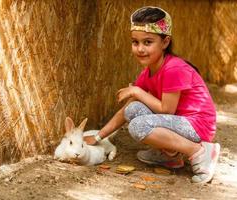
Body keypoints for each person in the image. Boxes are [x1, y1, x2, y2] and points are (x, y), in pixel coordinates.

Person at [84, 6, 220, 184]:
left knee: (139, 126)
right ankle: (170, 156)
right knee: (133, 109)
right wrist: (97, 137)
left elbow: (167, 110)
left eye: (147, 42)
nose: (140, 49)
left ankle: (200, 152)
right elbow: (126, 111)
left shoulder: (174, 68)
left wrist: (137, 91)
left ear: (165, 42)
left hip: (197, 125)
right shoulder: (148, 72)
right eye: (135, 42)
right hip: (179, 123)